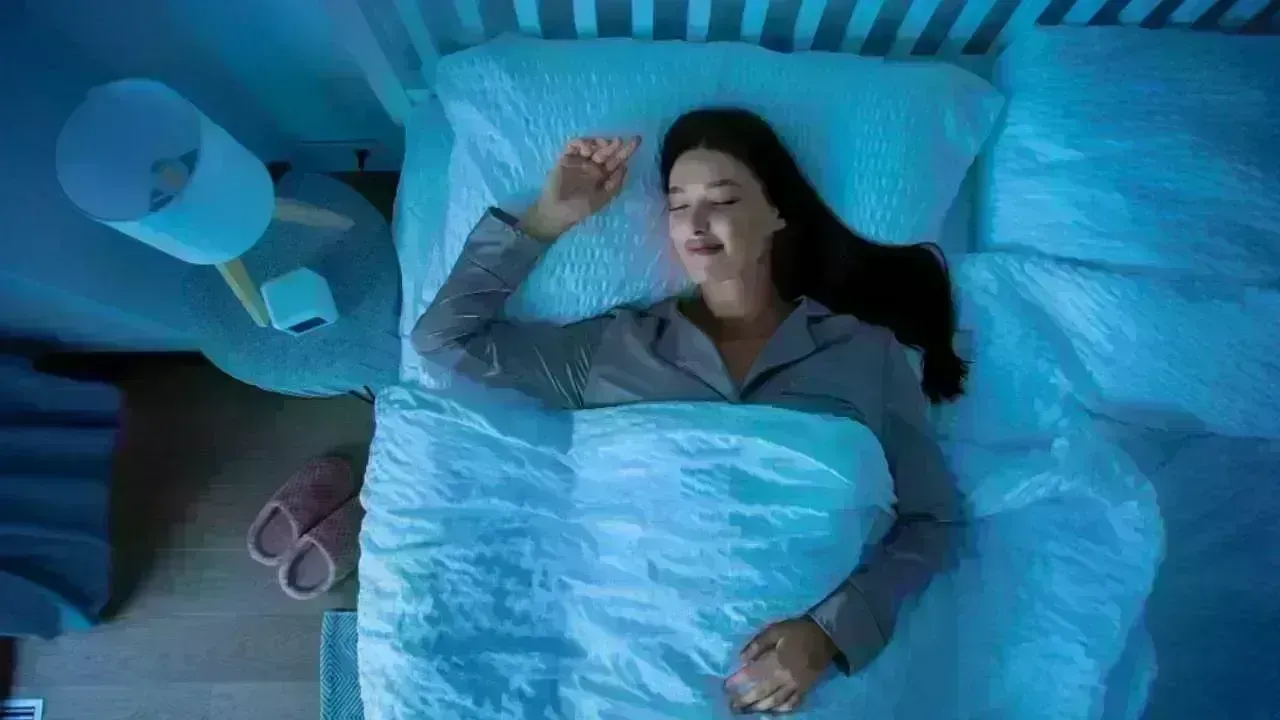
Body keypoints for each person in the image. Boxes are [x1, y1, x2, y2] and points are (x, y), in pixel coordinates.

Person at [413, 108, 962, 715]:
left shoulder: (862, 354)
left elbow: (933, 519)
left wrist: (830, 632)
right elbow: (443, 340)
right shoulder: (615, 348)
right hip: (633, 673)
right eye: (678, 206)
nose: (696, 224)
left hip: (800, 684)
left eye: (722, 200)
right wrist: (546, 220)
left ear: (777, 213)